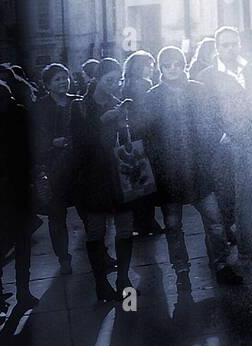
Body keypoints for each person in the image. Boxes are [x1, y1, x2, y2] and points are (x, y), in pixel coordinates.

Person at [137, 46, 241, 292]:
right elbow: (146, 134)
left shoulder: (198, 90)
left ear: (183, 65)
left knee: (214, 222)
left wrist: (208, 150)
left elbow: (215, 122)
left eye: (176, 64)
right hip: (169, 173)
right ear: (161, 68)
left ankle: (221, 265)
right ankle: (181, 271)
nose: (172, 69)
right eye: (167, 65)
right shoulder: (153, 96)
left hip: (198, 169)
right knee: (173, 226)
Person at [198, 26, 252, 262]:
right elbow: (204, 112)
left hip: (249, 142)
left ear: (239, 44)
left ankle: (246, 243)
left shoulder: (251, 70)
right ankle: (218, 248)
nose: (230, 49)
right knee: (224, 196)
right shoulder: (207, 76)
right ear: (218, 48)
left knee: (246, 194)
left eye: (234, 43)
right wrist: (219, 136)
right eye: (225, 45)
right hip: (223, 145)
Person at [71, 57, 136, 304]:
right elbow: (81, 143)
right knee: (96, 231)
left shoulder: (116, 103)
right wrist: (102, 121)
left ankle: (123, 280)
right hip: (92, 176)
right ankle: (101, 283)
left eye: (117, 80)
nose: (114, 85)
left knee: (125, 227)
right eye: (109, 80)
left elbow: (126, 144)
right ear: (97, 79)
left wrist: (123, 123)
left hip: (118, 173)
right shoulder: (80, 106)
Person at [0, 73, 37, 317]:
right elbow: (29, 151)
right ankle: (23, 292)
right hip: (17, 188)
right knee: (22, 244)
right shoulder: (17, 111)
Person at [33, 63, 79, 275]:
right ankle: (64, 257)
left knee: (89, 210)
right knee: (57, 216)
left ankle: (99, 251)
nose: (63, 81)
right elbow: (35, 138)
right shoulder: (41, 107)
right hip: (54, 168)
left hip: (79, 165)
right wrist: (53, 142)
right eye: (57, 79)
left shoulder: (76, 102)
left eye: (65, 77)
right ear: (47, 85)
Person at [121, 51, 164, 239]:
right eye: (149, 64)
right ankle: (148, 222)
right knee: (146, 184)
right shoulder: (145, 84)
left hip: (128, 138)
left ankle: (139, 222)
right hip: (144, 138)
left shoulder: (126, 84)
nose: (152, 68)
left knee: (136, 185)